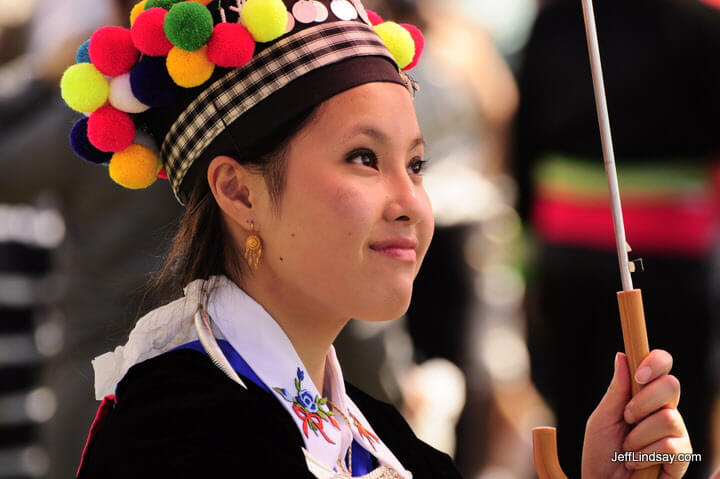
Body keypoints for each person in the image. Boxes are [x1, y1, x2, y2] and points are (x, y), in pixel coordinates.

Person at [62, 0, 691, 477]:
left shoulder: (381, 433)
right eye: (364, 158)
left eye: (417, 166)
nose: (410, 204)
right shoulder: (178, 434)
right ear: (239, 192)